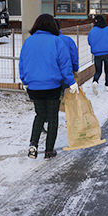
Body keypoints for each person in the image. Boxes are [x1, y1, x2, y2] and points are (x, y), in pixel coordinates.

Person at [19, 14, 79, 161]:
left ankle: (33, 143)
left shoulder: (28, 41)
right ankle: (49, 151)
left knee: (39, 115)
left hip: (33, 86)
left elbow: (22, 63)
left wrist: (25, 80)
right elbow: (65, 65)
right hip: (52, 87)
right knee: (52, 118)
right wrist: (71, 82)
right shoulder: (57, 41)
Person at [88, 15, 108, 95]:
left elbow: (89, 41)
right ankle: (107, 86)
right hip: (107, 53)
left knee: (98, 71)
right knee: (107, 70)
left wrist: (95, 47)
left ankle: (95, 81)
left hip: (97, 54)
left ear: (96, 21)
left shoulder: (92, 31)